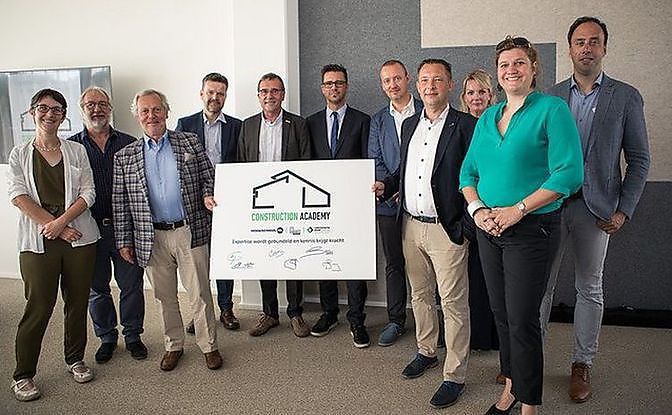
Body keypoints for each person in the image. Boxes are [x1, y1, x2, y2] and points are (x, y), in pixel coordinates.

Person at [459, 36, 583, 415]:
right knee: (501, 313)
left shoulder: (552, 109)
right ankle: (512, 386)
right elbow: (468, 173)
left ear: (533, 69)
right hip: (489, 228)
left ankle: (529, 405)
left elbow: (569, 173)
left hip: (532, 229)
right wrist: (478, 211)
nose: (511, 70)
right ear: (497, 73)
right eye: (504, 65)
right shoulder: (487, 118)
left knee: (523, 319)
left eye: (518, 63)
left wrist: (518, 209)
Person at [540, 16, 651, 404]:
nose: (586, 48)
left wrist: (624, 210)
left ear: (604, 47)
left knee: (589, 287)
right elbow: (537, 155)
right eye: (580, 42)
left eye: (594, 41)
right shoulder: (551, 97)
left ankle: (582, 363)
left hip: (598, 210)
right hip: (551, 207)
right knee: (541, 286)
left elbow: (639, 159)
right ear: (570, 49)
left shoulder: (626, 97)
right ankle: (528, 358)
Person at [373, 58, 476, 409]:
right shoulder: (409, 125)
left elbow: (477, 175)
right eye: (424, 80)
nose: (430, 86)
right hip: (410, 225)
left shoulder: (466, 125)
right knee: (420, 295)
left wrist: (465, 227)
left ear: (450, 84)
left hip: (447, 228)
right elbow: (406, 169)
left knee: (453, 304)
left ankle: (455, 375)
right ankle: (427, 351)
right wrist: (387, 185)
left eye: (437, 80)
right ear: (417, 86)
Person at [112, 89, 222, 371]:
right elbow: (120, 203)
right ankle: (174, 345)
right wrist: (124, 240)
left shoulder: (189, 141)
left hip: (189, 231)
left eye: (157, 109)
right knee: (164, 297)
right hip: (151, 236)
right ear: (137, 116)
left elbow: (208, 176)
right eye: (145, 111)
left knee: (200, 293)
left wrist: (207, 194)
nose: (152, 116)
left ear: (166, 112)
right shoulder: (125, 156)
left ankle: (209, 345)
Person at [9, 89, 100, 401]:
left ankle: (75, 359)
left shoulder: (76, 150)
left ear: (64, 115)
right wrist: (56, 227)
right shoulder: (19, 154)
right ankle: (23, 374)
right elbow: (18, 196)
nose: (50, 114)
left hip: (80, 238)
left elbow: (89, 192)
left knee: (77, 302)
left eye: (57, 109)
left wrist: (61, 223)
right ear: (32, 112)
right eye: (43, 108)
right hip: (38, 241)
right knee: (39, 306)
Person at [68, 87, 147, 364]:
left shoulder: (129, 143)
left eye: (102, 104)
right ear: (82, 109)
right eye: (90, 104)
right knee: (97, 288)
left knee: (131, 285)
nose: (97, 109)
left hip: (125, 228)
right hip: (89, 229)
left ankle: (133, 335)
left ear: (110, 108)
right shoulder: (72, 148)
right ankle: (107, 337)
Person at [238, 73, 312, 337]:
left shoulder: (298, 124)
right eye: (264, 91)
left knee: (293, 257)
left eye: (275, 90)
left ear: (283, 94)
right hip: (261, 205)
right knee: (265, 258)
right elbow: (241, 164)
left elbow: (307, 162)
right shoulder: (247, 126)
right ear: (259, 96)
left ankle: (295, 313)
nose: (269, 95)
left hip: (291, 203)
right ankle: (269, 313)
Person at [307, 64, 371, 347]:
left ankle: (357, 319)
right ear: (322, 88)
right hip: (321, 205)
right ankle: (329, 313)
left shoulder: (363, 120)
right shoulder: (310, 123)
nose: (334, 88)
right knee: (324, 259)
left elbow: (368, 161)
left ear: (346, 86)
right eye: (329, 83)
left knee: (354, 263)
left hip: (353, 205)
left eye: (339, 83)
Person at [176, 72, 242, 333]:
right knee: (198, 261)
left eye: (220, 93)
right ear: (202, 94)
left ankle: (226, 309)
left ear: (225, 96)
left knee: (225, 257)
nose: (215, 97)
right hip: (195, 204)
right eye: (211, 92)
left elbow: (241, 162)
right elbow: (178, 164)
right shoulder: (185, 124)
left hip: (227, 202)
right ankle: (201, 313)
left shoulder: (236, 126)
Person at [368, 59, 423, 347]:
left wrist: (409, 187)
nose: (393, 84)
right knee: (394, 263)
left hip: (422, 202)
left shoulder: (426, 110)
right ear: (382, 85)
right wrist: (394, 188)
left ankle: (431, 321)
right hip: (388, 204)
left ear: (408, 78)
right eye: (387, 80)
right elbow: (375, 159)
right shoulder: (378, 119)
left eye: (397, 78)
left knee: (427, 264)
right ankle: (396, 320)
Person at [458, 69, 503, 383]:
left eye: (482, 92)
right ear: (464, 97)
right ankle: (475, 337)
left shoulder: (500, 123)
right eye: (471, 93)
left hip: (498, 212)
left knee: (494, 282)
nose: (476, 98)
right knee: (471, 277)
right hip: (467, 212)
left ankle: (495, 339)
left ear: (491, 95)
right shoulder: (459, 126)